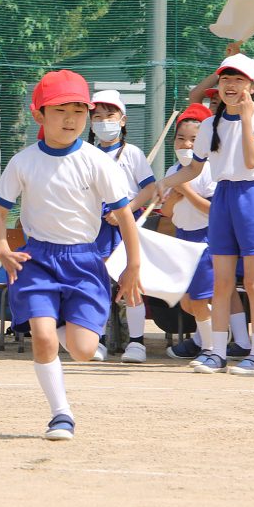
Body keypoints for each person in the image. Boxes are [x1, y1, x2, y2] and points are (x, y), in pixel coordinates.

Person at [0, 69, 142, 441]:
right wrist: (2, 248)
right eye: (60, 109)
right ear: (39, 115)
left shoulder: (97, 162)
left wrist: (133, 265)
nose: (72, 118)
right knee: (42, 338)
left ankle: (59, 323)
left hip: (85, 262)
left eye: (79, 109)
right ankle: (61, 414)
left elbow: (125, 217)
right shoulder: (23, 161)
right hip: (38, 259)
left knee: (85, 350)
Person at [159, 54, 254, 375]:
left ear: (252, 86)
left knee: (253, 282)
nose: (230, 85)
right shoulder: (210, 123)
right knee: (222, 282)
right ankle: (217, 351)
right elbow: (195, 168)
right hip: (223, 196)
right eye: (226, 79)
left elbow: (252, 160)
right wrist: (164, 183)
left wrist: (248, 118)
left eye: (239, 80)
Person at [87, 89, 156, 363]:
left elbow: (149, 188)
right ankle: (98, 340)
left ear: (123, 120)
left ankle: (137, 343)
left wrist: (123, 209)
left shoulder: (133, 153)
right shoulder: (87, 153)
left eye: (110, 115)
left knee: (132, 282)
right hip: (97, 226)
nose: (104, 121)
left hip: (127, 224)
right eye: (98, 117)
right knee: (99, 283)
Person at [160, 104, 217, 360]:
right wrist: (173, 197)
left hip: (204, 240)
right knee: (186, 302)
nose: (186, 144)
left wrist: (187, 191)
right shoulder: (172, 171)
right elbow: (167, 212)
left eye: (194, 140)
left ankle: (210, 348)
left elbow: (213, 211)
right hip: (181, 239)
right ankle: (214, 333)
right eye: (181, 139)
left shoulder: (210, 170)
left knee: (198, 300)